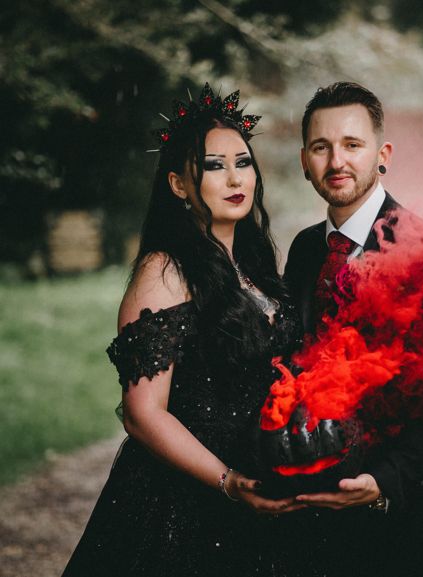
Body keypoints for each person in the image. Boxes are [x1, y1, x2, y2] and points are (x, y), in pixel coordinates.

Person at [61, 84, 304, 577]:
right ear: (177, 184)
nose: (235, 177)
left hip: (258, 487)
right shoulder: (165, 271)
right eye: (214, 165)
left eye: (243, 162)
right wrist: (228, 481)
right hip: (183, 502)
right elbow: (142, 414)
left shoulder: (254, 266)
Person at [281, 82, 423, 577]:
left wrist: (383, 481)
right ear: (304, 160)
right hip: (310, 524)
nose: (336, 161)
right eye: (321, 147)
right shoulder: (304, 251)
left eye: (352, 144)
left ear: (382, 154)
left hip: (397, 523)